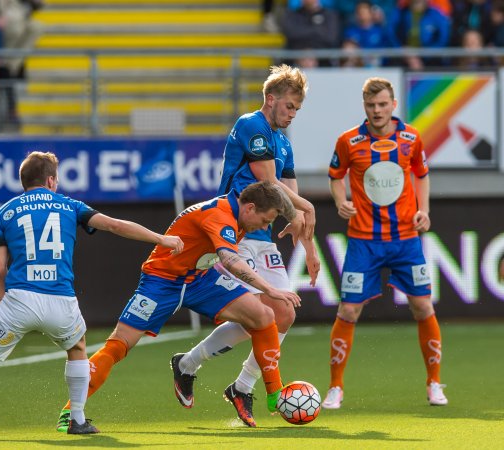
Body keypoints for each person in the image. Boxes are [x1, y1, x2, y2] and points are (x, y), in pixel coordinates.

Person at [0, 151, 184, 439]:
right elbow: (115, 226)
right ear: (51, 180)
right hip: (61, 302)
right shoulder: (70, 205)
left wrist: (4, 303)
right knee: (78, 347)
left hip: (19, 300)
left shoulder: (6, 212)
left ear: (23, 182)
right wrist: (161, 238)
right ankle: (77, 418)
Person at [54, 180, 303, 432]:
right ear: (249, 208)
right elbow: (229, 260)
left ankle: (274, 394)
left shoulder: (241, 207)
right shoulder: (219, 215)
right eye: (265, 221)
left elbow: (274, 189)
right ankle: (69, 413)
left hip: (200, 278)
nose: (265, 226)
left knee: (263, 315)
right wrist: (269, 288)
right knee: (119, 345)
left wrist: (297, 216)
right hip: (161, 282)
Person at [169, 64, 320, 428]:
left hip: (262, 235)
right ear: (271, 99)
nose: (292, 114)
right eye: (289, 106)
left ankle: (237, 384)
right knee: (259, 313)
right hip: (234, 232)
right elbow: (268, 183)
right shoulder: (252, 124)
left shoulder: (283, 139)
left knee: (282, 312)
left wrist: (308, 244)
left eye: (297, 109)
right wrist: (305, 209)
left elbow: (289, 188)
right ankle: (192, 366)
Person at [323, 77, 446, 409]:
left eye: (382, 105)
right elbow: (335, 176)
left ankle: (434, 382)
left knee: (423, 306)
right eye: (370, 106)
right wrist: (340, 202)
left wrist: (424, 210)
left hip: (406, 239)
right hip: (364, 241)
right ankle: (336, 387)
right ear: (365, 107)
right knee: (348, 309)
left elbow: (421, 173)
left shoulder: (411, 137)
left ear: (393, 105)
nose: (376, 111)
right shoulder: (348, 141)